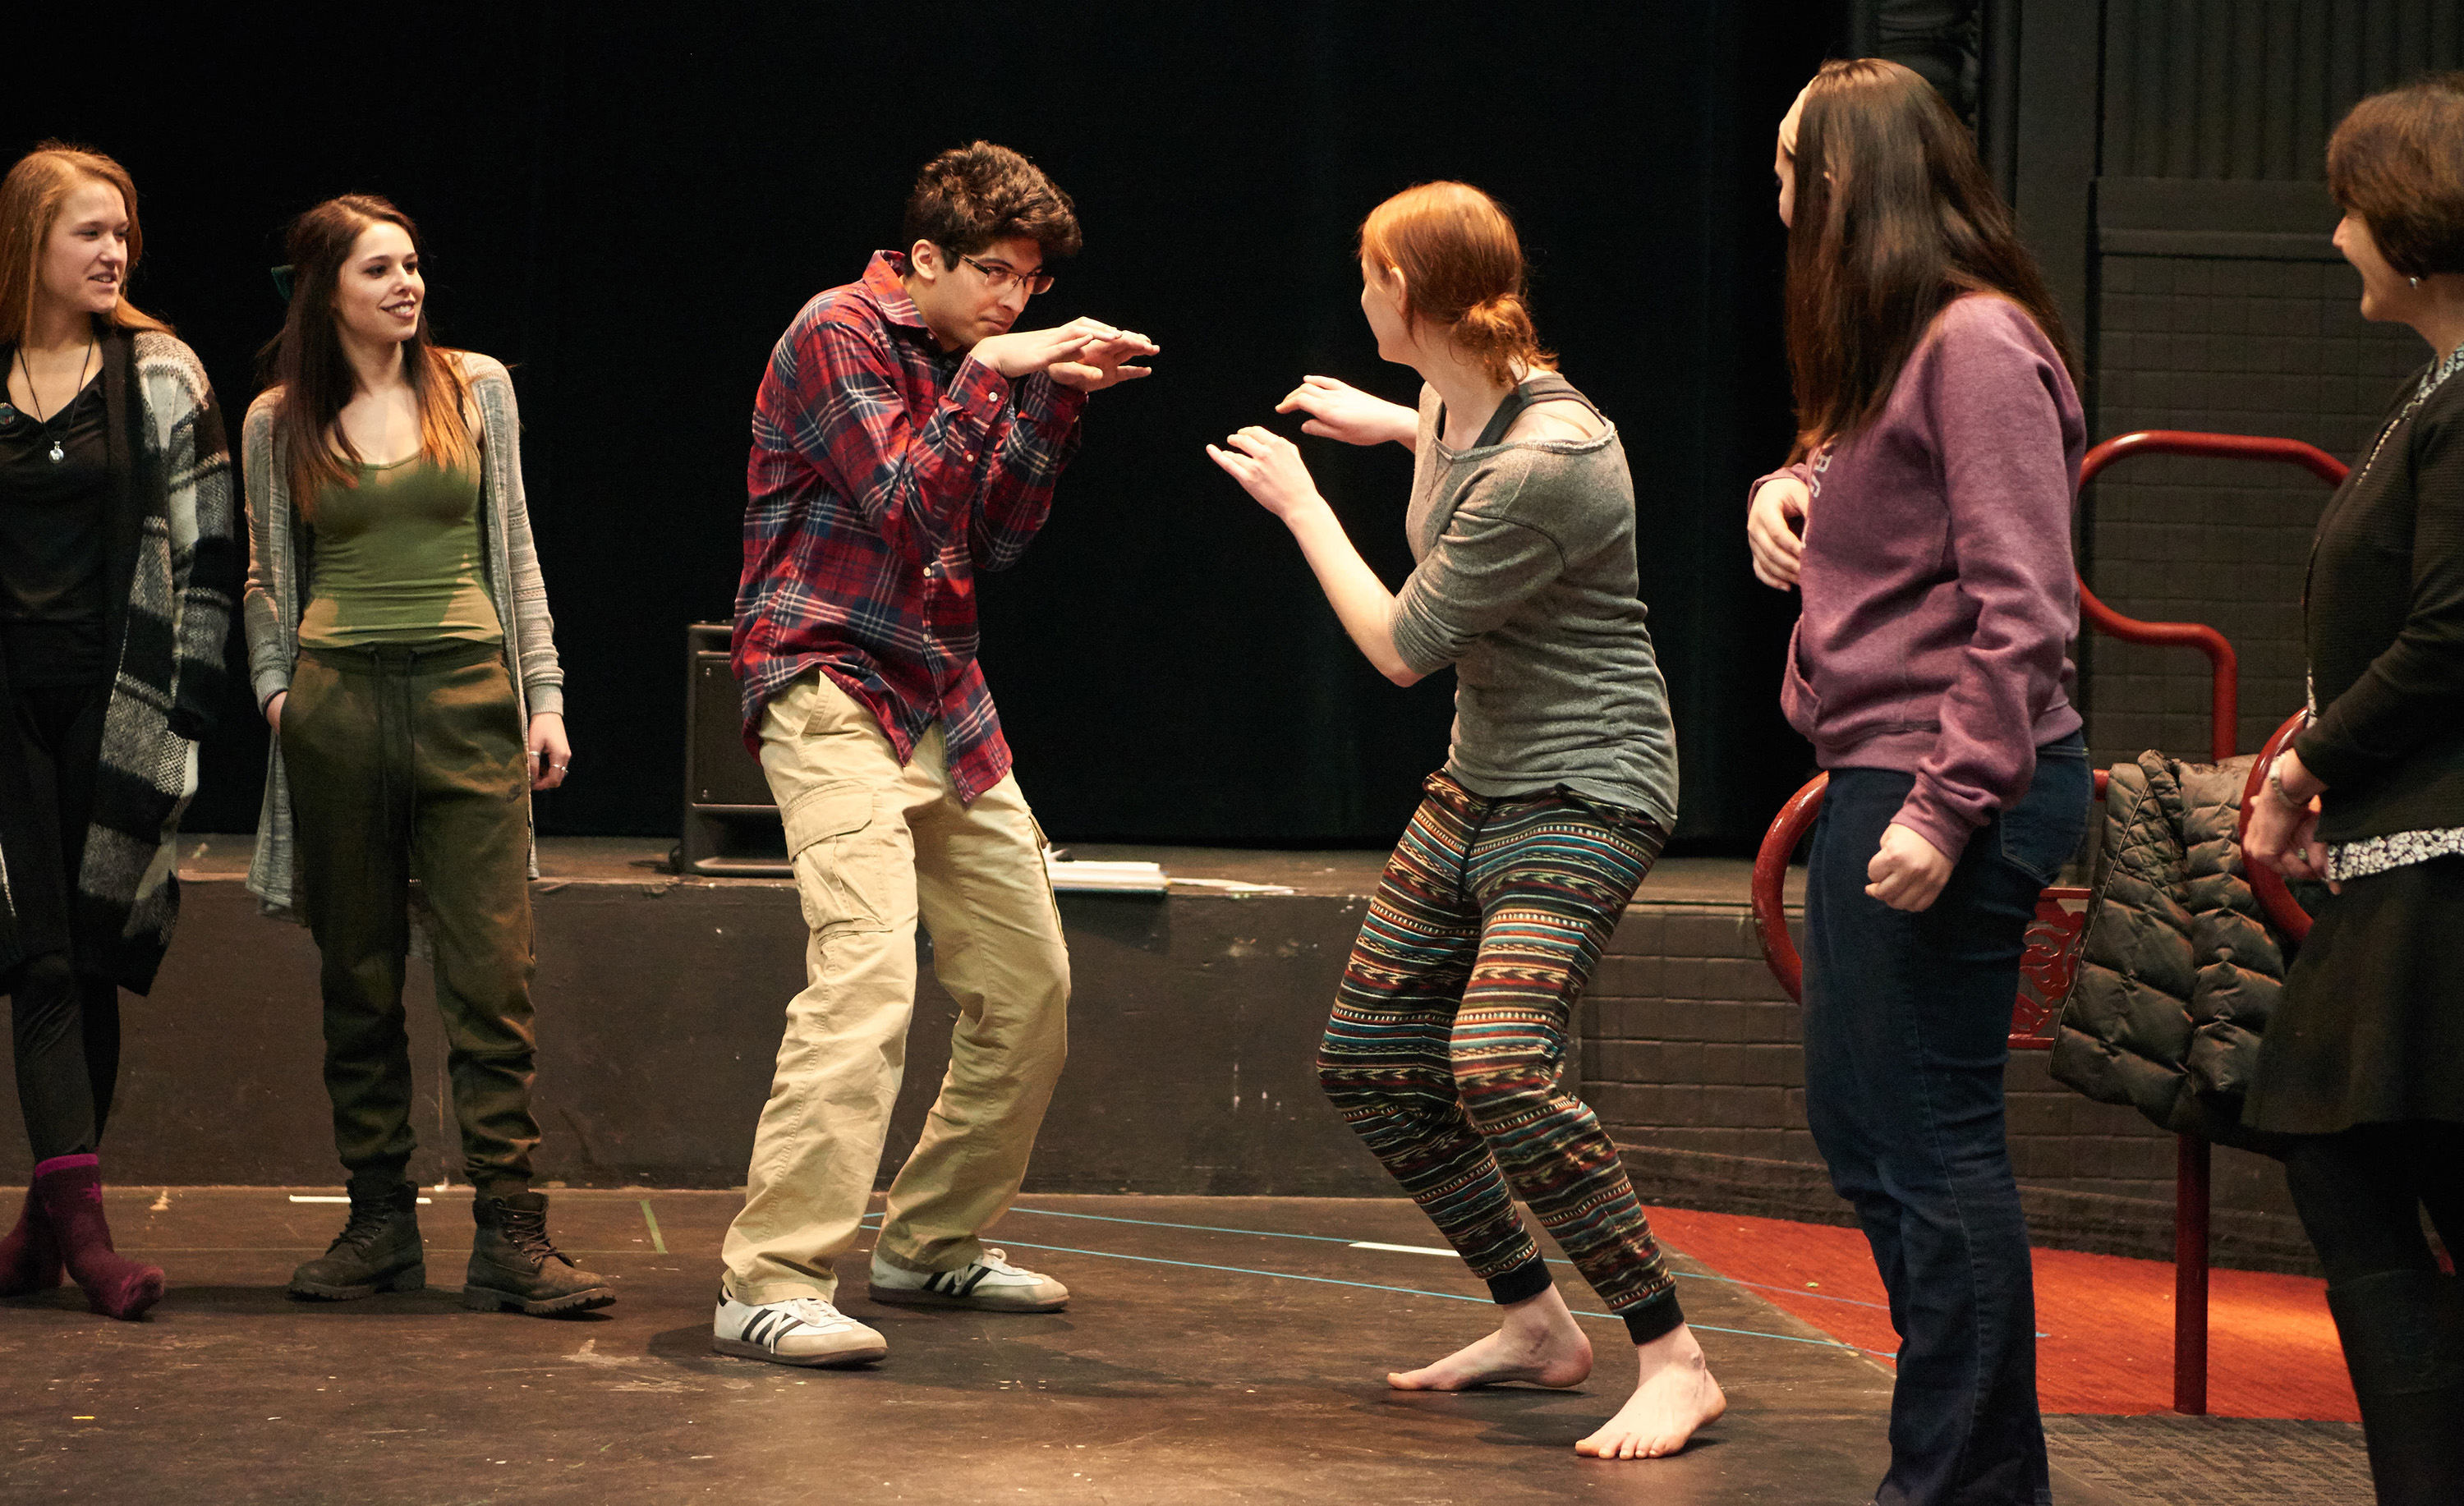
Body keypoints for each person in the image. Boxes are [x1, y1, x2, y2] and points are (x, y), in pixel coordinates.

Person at [1208, 180, 1723, 1462]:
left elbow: (1397, 645)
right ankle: (1540, 1325)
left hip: (1590, 783)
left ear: (1418, 298)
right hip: (1486, 774)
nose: (1360, 289)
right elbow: (1453, 427)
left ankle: (1677, 1354)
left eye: (1373, 272)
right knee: (1372, 1055)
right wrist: (1383, 422)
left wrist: (1303, 501)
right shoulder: (1456, 388)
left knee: (1495, 1063)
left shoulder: (1553, 462)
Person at [715, 141, 1157, 1368]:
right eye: (997, 277)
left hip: (941, 694)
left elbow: (993, 533)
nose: (1017, 303)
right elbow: (905, 506)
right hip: (825, 678)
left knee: (1030, 988)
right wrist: (1001, 373)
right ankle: (768, 1276)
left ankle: (931, 1241)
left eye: (1032, 284)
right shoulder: (836, 331)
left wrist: (1054, 392)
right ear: (925, 260)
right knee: (865, 972)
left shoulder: (986, 359)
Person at [1744, 59, 2088, 1505]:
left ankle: (1951, 1480)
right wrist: (1786, 488)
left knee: (1933, 1142)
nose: (1772, 197)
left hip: (1955, 778)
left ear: (1840, 183)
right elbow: (1874, 492)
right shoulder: (1899, 354)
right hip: (1884, 765)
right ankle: (1987, 1470)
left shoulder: (1978, 341)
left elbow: (2029, 606)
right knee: (1864, 1130)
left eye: (1785, 170)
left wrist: (1950, 806)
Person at [241, 195, 609, 1317]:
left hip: (466, 697)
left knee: (493, 977)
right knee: (357, 974)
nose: (408, 285)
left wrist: (540, 695)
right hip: (339, 706)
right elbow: (264, 575)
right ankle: (378, 1223)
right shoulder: (277, 419)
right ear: (326, 290)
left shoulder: (474, 386)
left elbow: (519, 549)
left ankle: (511, 1230)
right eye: (380, 270)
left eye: (412, 266)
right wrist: (278, 695)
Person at [2244, 71, 2464, 1506]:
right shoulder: (2438, 394)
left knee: (2366, 1171)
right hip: (2408, 861)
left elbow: (2455, 630)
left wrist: (2305, 770)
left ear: (2411, 222)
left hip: (2444, 876)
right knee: (2353, 1176)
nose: (2334, 237)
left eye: (2348, 208)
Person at [0, 144, 235, 1320]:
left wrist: (191, 693)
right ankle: (88, 1240)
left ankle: (42, 1232)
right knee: (37, 953)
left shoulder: (158, 373)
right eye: (90, 232)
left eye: (123, 235)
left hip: (118, 696)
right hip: (5, 708)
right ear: (31, 240)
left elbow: (211, 549)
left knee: (92, 957)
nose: (113, 253)